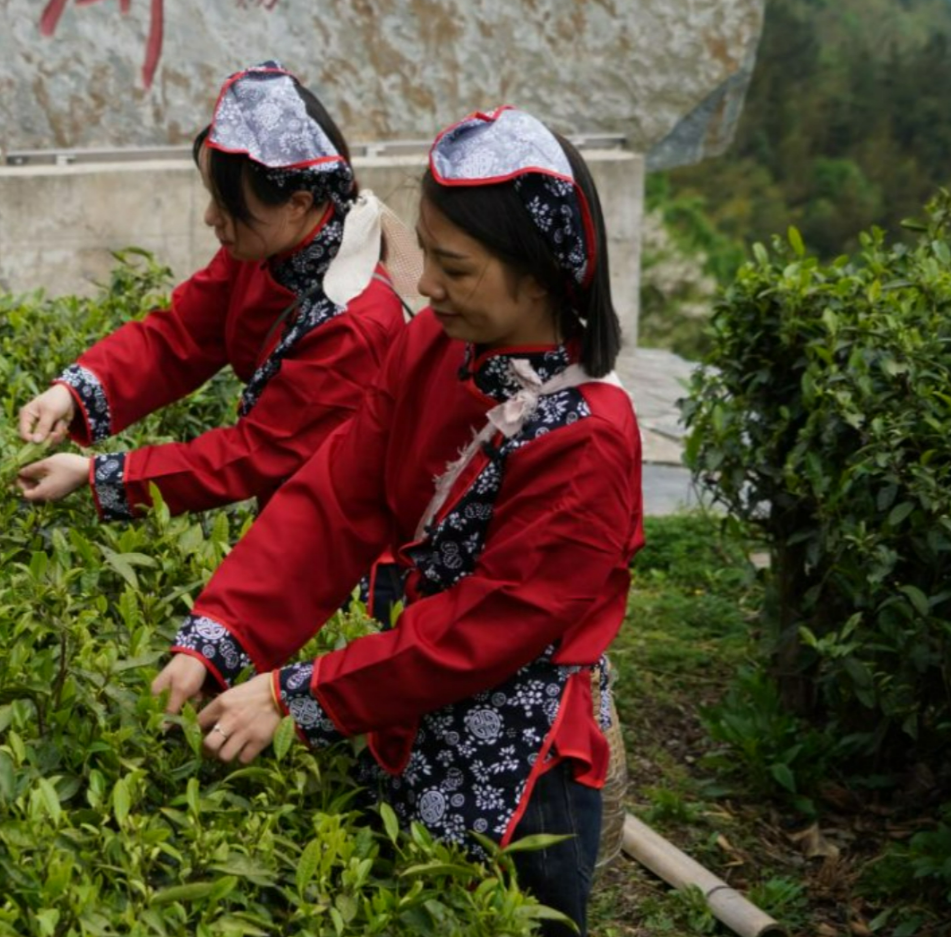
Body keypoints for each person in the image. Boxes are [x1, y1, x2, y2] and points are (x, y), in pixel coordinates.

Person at [151, 106, 641, 935]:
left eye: (453, 265)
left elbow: (485, 628)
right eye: (426, 252)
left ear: (539, 274)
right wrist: (220, 630)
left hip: (518, 766)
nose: (423, 285)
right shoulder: (435, 347)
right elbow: (341, 495)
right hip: (406, 709)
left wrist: (297, 695)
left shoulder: (588, 436)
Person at [13, 61, 406, 521]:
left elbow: (257, 452)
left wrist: (99, 474)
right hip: (293, 515)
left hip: (350, 539)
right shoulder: (267, 251)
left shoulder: (354, 320)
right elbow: (180, 336)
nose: (210, 217)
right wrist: (70, 394)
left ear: (298, 203)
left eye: (227, 204)